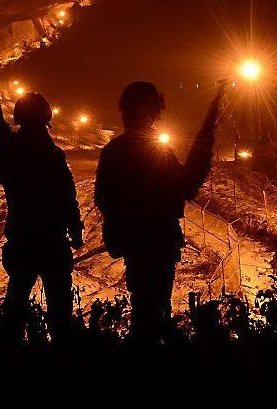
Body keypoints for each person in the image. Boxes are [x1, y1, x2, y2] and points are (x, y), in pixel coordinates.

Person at [94, 81, 223, 346]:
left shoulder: (112, 152)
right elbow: (187, 185)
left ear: (125, 111)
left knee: (143, 306)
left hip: (134, 243)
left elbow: (103, 199)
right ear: (154, 112)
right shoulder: (157, 150)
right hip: (159, 242)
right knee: (154, 311)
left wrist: (124, 224)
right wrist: (206, 132)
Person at [0, 91, 84, 345]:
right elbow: (67, 197)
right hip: (50, 241)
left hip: (24, 240)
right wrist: (75, 231)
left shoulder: (15, 151)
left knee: (16, 307)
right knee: (58, 313)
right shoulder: (52, 155)